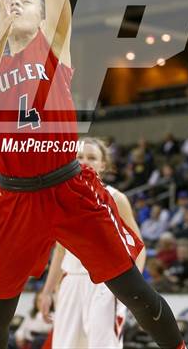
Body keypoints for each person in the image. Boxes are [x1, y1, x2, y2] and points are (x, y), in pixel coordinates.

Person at [0, 0, 186, 349]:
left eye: (30, 1)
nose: (20, 2)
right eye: (13, 0)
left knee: (132, 289)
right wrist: (1, 34)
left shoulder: (54, 44)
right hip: (16, 196)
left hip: (70, 188)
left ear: (44, 18)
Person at [39, 138, 146, 349]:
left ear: (103, 165)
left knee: (102, 345)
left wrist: (135, 288)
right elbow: (60, 250)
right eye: (79, 157)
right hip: (70, 281)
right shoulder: (62, 198)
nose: (85, 162)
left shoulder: (116, 197)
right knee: (64, 345)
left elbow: (139, 247)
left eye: (92, 157)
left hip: (107, 283)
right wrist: (47, 291)